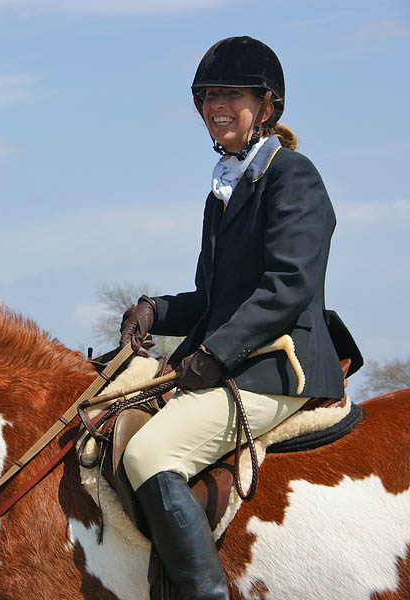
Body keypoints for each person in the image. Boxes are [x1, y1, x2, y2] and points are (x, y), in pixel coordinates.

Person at [119, 36, 354, 600]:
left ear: (266, 105)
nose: (216, 106)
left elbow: (288, 287)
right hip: (240, 365)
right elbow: (214, 299)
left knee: (149, 454)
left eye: (231, 95)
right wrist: (155, 310)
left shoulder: (293, 174)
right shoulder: (223, 189)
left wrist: (216, 352)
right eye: (207, 96)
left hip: (280, 368)